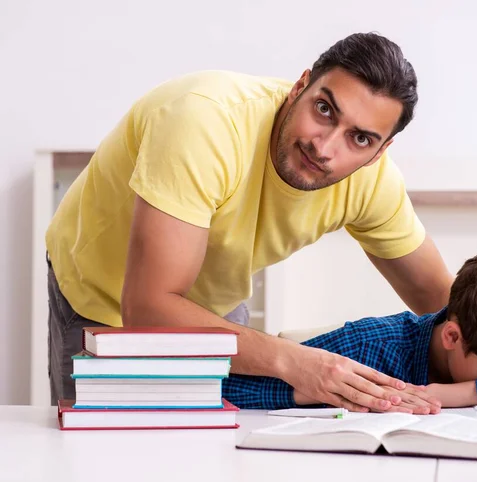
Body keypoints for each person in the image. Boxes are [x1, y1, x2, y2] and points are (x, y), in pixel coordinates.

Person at [45, 32, 454, 411]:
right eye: (324, 109)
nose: (325, 147)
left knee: (218, 454)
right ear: (300, 87)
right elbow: (148, 310)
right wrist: (296, 361)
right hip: (104, 296)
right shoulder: (203, 122)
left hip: (212, 305)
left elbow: (456, 311)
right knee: (105, 457)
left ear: (380, 151)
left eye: (360, 138)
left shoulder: (373, 183)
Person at [222, 248, 477, 416]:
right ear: (452, 336)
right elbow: (224, 389)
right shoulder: (369, 347)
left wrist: (459, 393)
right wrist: (317, 393)